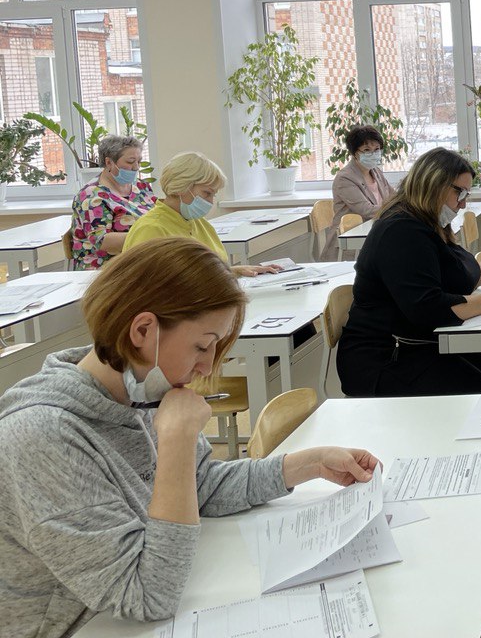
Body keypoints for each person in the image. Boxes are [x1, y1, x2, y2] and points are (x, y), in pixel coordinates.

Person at [0, 237, 379, 638]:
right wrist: (177, 441)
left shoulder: (142, 386)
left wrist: (310, 464)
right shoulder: (42, 436)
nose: (207, 367)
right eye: (202, 346)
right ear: (143, 330)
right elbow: (147, 597)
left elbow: (201, 487)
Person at [337, 147, 481, 397]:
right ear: (433, 184)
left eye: (466, 194)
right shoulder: (401, 231)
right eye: (459, 192)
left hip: (417, 342)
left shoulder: (426, 221)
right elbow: (429, 309)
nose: (463, 203)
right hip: (385, 356)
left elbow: (447, 271)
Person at [122, 151, 279, 278]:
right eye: (207, 193)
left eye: (213, 195)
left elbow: (202, 275)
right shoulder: (150, 229)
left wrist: (235, 272)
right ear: (181, 186)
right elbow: (147, 290)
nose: (210, 202)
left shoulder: (199, 223)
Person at [70, 135, 156, 270]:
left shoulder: (141, 187)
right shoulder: (91, 196)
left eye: (139, 161)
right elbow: (102, 241)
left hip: (140, 260)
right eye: (130, 161)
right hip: (107, 269)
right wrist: (150, 236)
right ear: (109, 162)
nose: (136, 167)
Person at [321, 124, 395, 260]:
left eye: (377, 149)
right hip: (348, 248)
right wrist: (397, 210)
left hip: (373, 238)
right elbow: (367, 210)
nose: (373, 154)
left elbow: (394, 198)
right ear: (355, 153)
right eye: (367, 150)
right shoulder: (345, 178)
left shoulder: (376, 172)